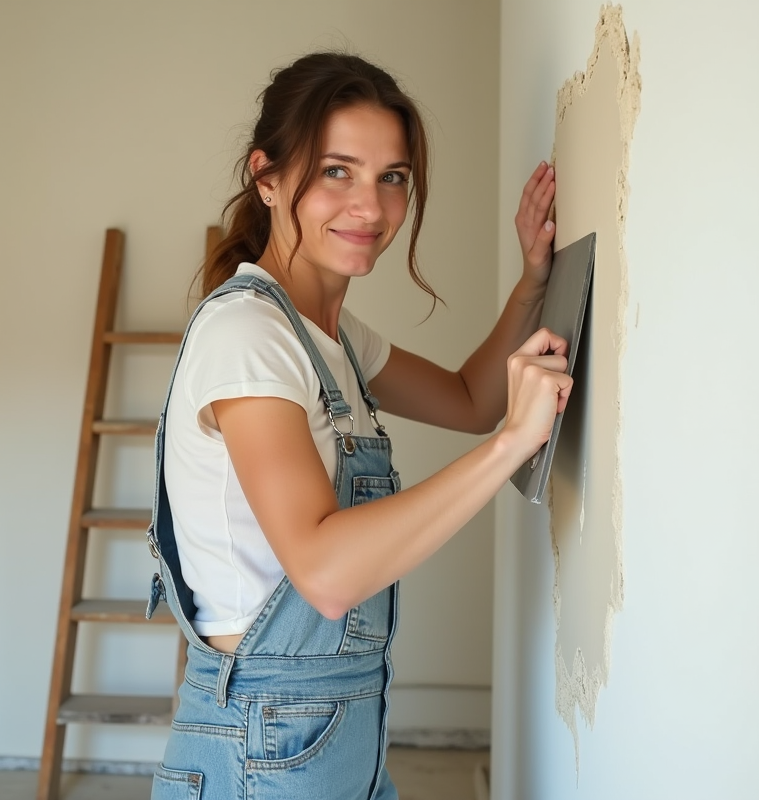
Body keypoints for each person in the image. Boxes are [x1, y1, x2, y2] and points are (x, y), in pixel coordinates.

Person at [145, 52, 570, 800]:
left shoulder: (328, 335)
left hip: (333, 730)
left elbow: (471, 398)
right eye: (337, 171)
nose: (370, 208)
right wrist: (513, 448)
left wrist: (535, 279)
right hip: (263, 738)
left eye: (392, 177)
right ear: (268, 178)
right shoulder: (250, 334)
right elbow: (327, 575)